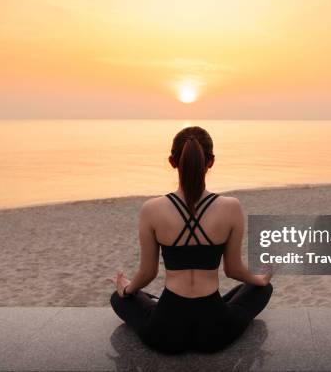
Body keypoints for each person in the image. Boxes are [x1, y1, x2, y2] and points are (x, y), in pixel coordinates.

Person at [108, 126, 273, 354]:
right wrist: (260, 280)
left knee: (119, 299)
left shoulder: (152, 209)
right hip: (215, 332)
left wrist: (126, 290)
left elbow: (147, 274)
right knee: (261, 289)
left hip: (165, 332)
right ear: (211, 162)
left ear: (172, 161)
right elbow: (233, 270)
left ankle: (144, 298)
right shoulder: (231, 207)